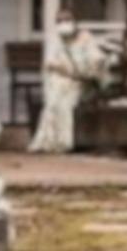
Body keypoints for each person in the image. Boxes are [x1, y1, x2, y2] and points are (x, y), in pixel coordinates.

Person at [32, 8, 104, 154]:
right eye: (59, 20)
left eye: (67, 19)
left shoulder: (86, 37)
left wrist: (91, 68)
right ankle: (46, 142)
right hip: (60, 79)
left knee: (65, 105)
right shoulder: (55, 39)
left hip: (80, 81)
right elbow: (50, 63)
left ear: (75, 21)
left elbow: (96, 57)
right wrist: (62, 69)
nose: (63, 23)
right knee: (52, 103)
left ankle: (63, 143)